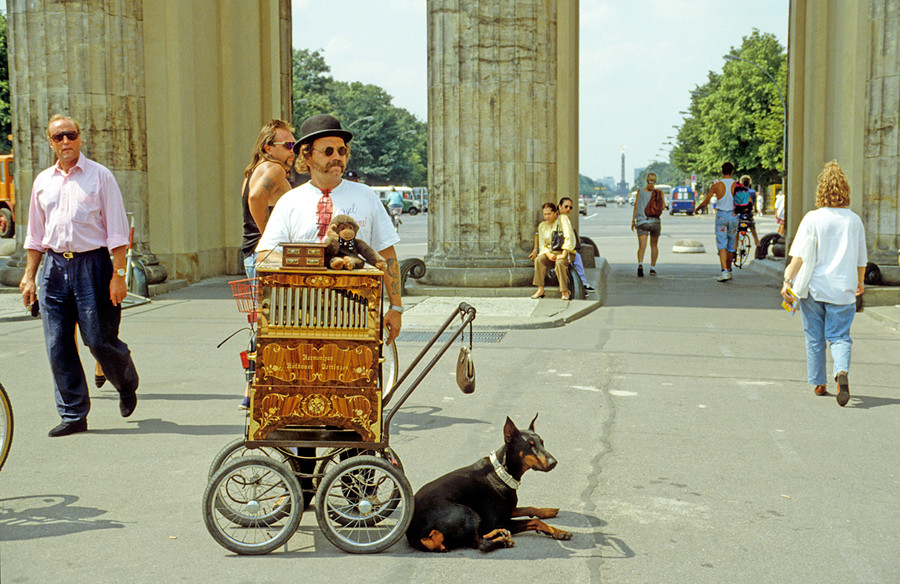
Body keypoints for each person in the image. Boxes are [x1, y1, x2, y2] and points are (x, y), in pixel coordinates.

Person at [19, 114, 140, 437]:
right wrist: (30, 276)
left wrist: (119, 274)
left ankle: (126, 382)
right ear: (50, 143)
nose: (65, 142)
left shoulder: (100, 177)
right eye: (58, 137)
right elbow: (35, 235)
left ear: (80, 138)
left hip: (93, 266)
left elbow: (117, 232)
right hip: (54, 268)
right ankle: (73, 414)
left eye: (70, 135)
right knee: (58, 343)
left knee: (98, 339)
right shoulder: (43, 182)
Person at [256, 113, 403, 344]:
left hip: (357, 315)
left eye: (342, 151)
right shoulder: (290, 201)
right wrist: (306, 264)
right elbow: (265, 254)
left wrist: (396, 307)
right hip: (302, 314)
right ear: (307, 155)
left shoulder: (366, 196)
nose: (337, 157)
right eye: (328, 151)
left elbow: (387, 254)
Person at [781, 161, 866, 407]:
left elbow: (798, 256)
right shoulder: (854, 221)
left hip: (814, 289)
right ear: (845, 190)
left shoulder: (812, 218)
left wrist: (787, 280)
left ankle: (819, 383)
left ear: (821, 190)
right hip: (844, 288)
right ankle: (841, 372)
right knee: (840, 336)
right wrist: (860, 281)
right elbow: (861, 258)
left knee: (815, 337)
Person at [241, 119, 296, 280]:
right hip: (266, 257)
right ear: (269, 148)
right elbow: (255, 197)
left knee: (262, 306)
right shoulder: (275, 168)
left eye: (294, 145)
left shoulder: (254, 170)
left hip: (254, 254)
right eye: (288, 145)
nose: (293, 151)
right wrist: (268, 239)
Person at [696, 162, 739, 282]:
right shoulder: (737, 185)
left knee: (722, 244)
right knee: (731, 244)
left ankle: (724, 271)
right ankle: (729, 270)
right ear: (732, 171)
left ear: (722, 171)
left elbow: (706, 202)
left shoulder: (716, 186)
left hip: (721, 216)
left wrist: (697, 209)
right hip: (733, 215)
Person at [529, 202, 575, 300]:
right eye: (545, 214)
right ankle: (540, 289)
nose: (547, 216)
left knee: (559, 264)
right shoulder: (542, 225)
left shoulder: (562, 221)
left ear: (555, 213)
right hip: (550, 252)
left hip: (564, 252)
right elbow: (542, 243)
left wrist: (563, 254)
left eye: (549, 214)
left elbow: (568, 237)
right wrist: (548, 254)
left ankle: (565, 291)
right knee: (539, 260)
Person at [555, 196, 595, 292]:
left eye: (570, 207)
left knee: (578, 259)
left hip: (567, 249)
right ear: (559, 206)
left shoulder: (561, 217)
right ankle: (583, 284)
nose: (568, 209)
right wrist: (565, 252)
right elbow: (568, 235)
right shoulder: (563, 218)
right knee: (575, 260)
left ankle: (584, 283)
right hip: (566, 249)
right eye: (566, 206)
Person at [630, 172, 663, 276]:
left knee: (642, 246)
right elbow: (663, 206)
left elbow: (636, 207)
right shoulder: (659, 192)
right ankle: (652, 268)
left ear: (646, 180)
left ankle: (640, 264)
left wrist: (633, 221)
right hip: (655, 223)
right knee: (654, 245)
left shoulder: (640, 191)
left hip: (642, 222)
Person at [733, 175, 760, 249]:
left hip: (738, 215)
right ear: (749, 183)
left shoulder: (737, 191)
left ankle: (734, 251)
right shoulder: (752, 192)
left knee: (736, 234)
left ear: (741, 183)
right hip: (748, 216)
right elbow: (753, 204)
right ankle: (758, 248)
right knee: (754, 234)